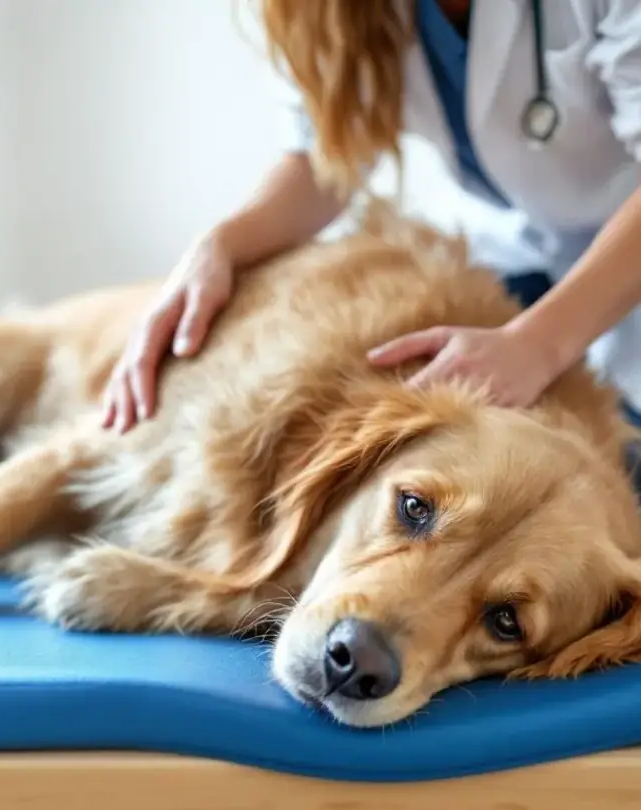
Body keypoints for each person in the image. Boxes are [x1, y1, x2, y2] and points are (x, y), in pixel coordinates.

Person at [100, 0, 641, 476]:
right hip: (513, 246)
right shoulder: (327, 9)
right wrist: (220, 244)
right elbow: (326, 161)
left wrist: (538, 345)